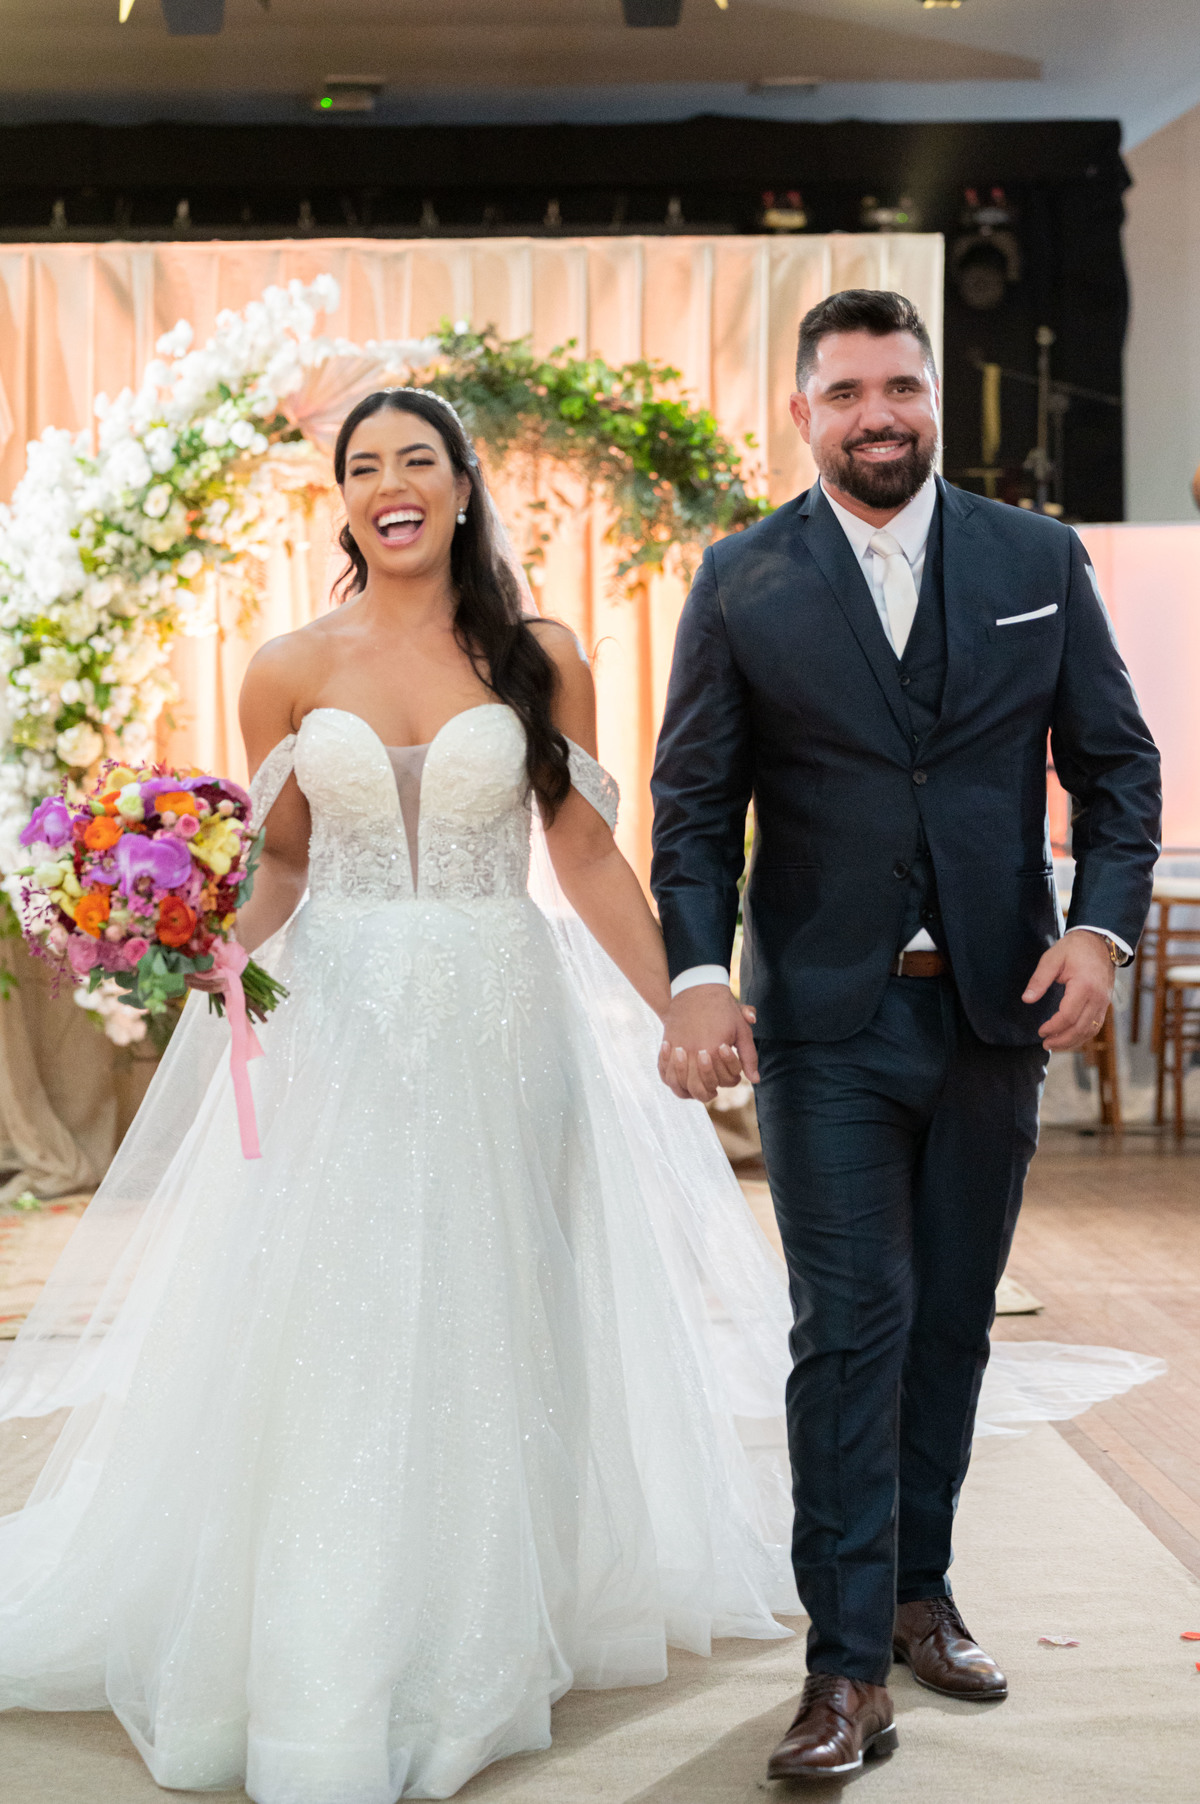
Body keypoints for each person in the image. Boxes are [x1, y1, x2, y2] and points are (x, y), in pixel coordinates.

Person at [0, 388, 800, 1802]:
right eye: (363, 466)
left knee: (501, 1302)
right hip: (345, 1025)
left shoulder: (541, 654)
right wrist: (198, 944)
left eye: (416, 459)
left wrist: (684, 990)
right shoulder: (287, 667)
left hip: (502, 1018)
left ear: (463, 484)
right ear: (346, 503)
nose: (390, 484)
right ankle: (345, 1639)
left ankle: (486, 1633)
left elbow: (587, 855)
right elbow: (284, 862)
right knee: (345, 1314)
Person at [650, 290, 1162, 1781]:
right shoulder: (742, 578)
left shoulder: (1035, 559)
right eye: (848, 391)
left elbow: (1117, 768)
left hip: (998, 1011)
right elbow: (694, 807)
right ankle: (843, 1670)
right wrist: (697, 972)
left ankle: (920, 1595)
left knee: (950, 1323)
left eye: (902, 387)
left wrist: (1098, 930)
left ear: (933, 398)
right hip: (825, 1023)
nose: (879, 414)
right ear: (801, 413)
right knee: (851, 1323)